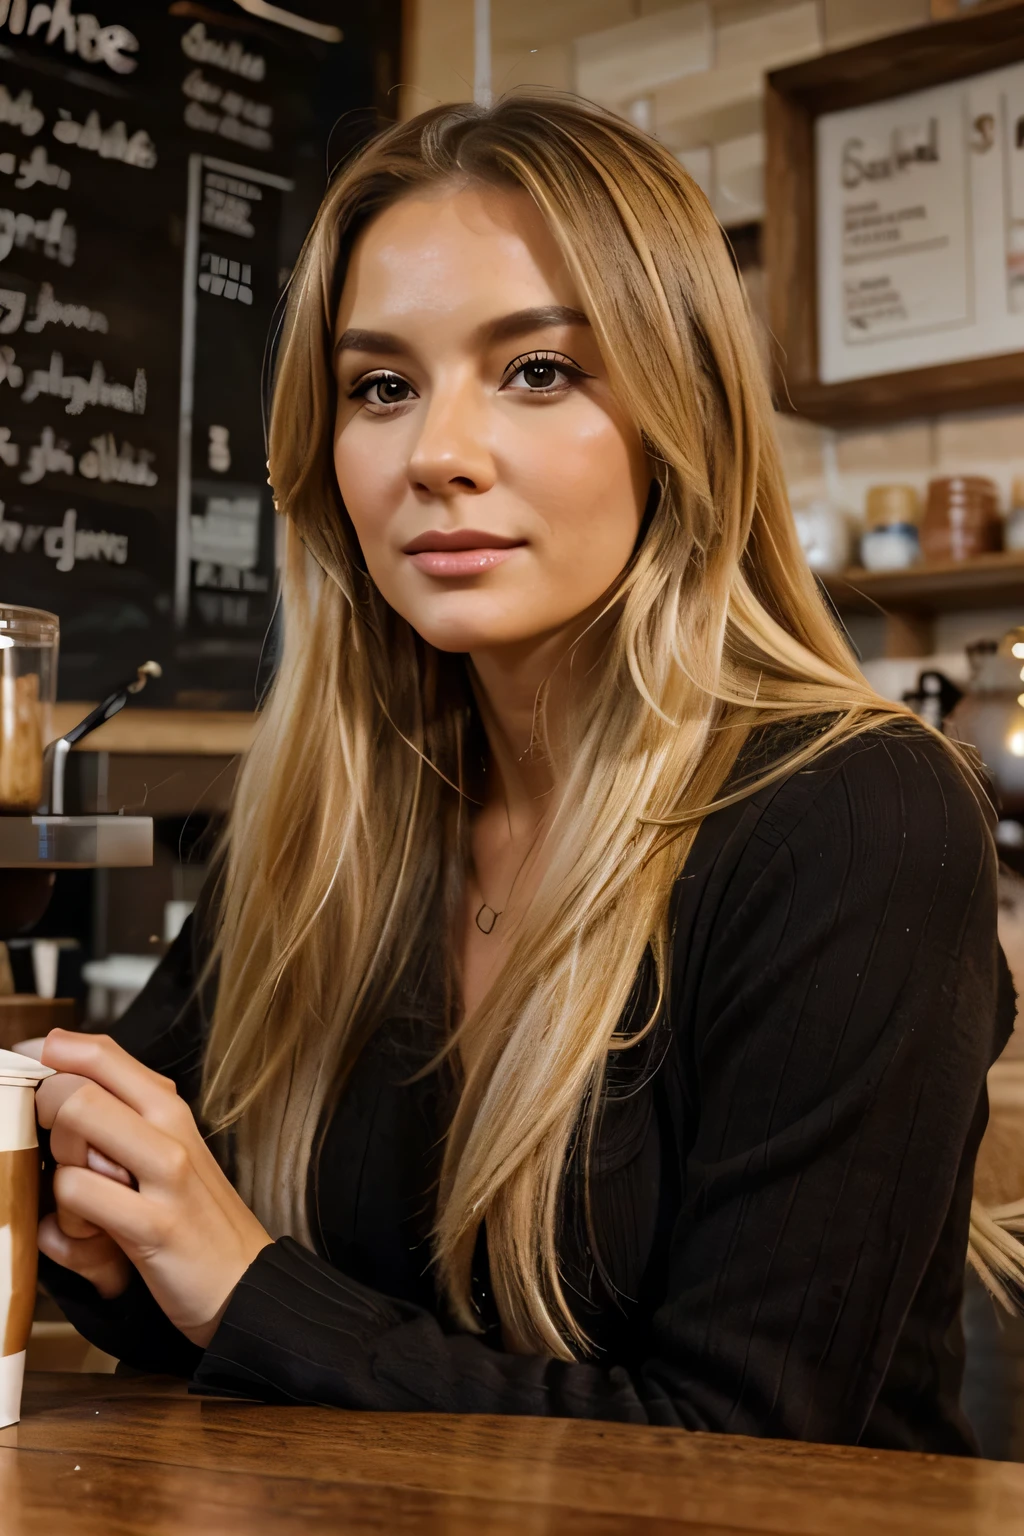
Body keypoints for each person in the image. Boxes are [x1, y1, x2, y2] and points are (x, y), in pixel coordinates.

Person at [28, 95, 1021, 1451]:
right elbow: (179, 1283)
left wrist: (251, 1288)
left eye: (538, 370)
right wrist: (105, 1223)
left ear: (689, 415)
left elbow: (748, 1444)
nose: (437, 454)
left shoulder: (858, 821)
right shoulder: (326, 833)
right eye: (380, 386)